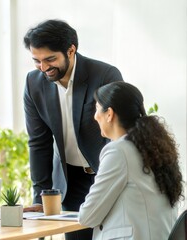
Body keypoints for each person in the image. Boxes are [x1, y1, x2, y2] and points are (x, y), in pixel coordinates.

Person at [22, 19, 124, 239]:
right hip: (71, 181)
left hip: (107, 175)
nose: (44, 68)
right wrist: (40, 197)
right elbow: (38, 143)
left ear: (71, 50)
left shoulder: (105, 75)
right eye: (36, 61)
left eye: (50, 59)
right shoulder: (33, 83)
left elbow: (118, 136)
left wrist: (109, 178)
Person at [78, 81, 183, 239]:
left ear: (109, 114)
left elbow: (87, 216)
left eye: (97, 108)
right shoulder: (154, 149)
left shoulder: (118, 151)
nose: (95, 116)